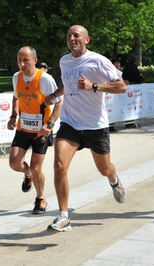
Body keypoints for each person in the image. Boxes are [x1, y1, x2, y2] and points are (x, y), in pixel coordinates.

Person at [44, 25, 127, 232]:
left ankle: (114, 180)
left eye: (76, 35)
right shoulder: (64, 61)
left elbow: (121, 86)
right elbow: (67, 83)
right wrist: (55, 95)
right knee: (59, 165)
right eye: (69, 35)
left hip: (94, 126)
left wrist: (94, 86)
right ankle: (64, 216)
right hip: (70, 123)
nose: (72, 39)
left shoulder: (98, 60)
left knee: (104, 169)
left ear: (86, 39)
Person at [7, 46, 63, 214]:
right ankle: (28, 174)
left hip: (41, 131)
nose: (21, 64)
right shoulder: (17, 77)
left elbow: (59, 102)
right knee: (14, 163)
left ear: (35, 60)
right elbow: (16, 97)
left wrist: (50, 124)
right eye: (19, 60)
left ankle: (40, 199)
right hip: (23, 128)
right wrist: (13, 116)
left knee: (37, 167)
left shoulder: (45, 79)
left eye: (25, 60)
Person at [122, 54, 143, 129]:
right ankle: (131, 123)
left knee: (127, 105)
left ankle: (128, 122)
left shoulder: (125, 67)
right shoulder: (134, 68)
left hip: (126, 87)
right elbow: (138, 79)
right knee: (133, 105)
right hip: (134, 88)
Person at [108, 58, 123, 132]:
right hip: (110, 95)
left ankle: (112, 125)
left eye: (118, 63)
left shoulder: (120, 73)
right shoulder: (110, 72)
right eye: (115, 63)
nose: (117, 65)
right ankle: (110, 126)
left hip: (117, 95)